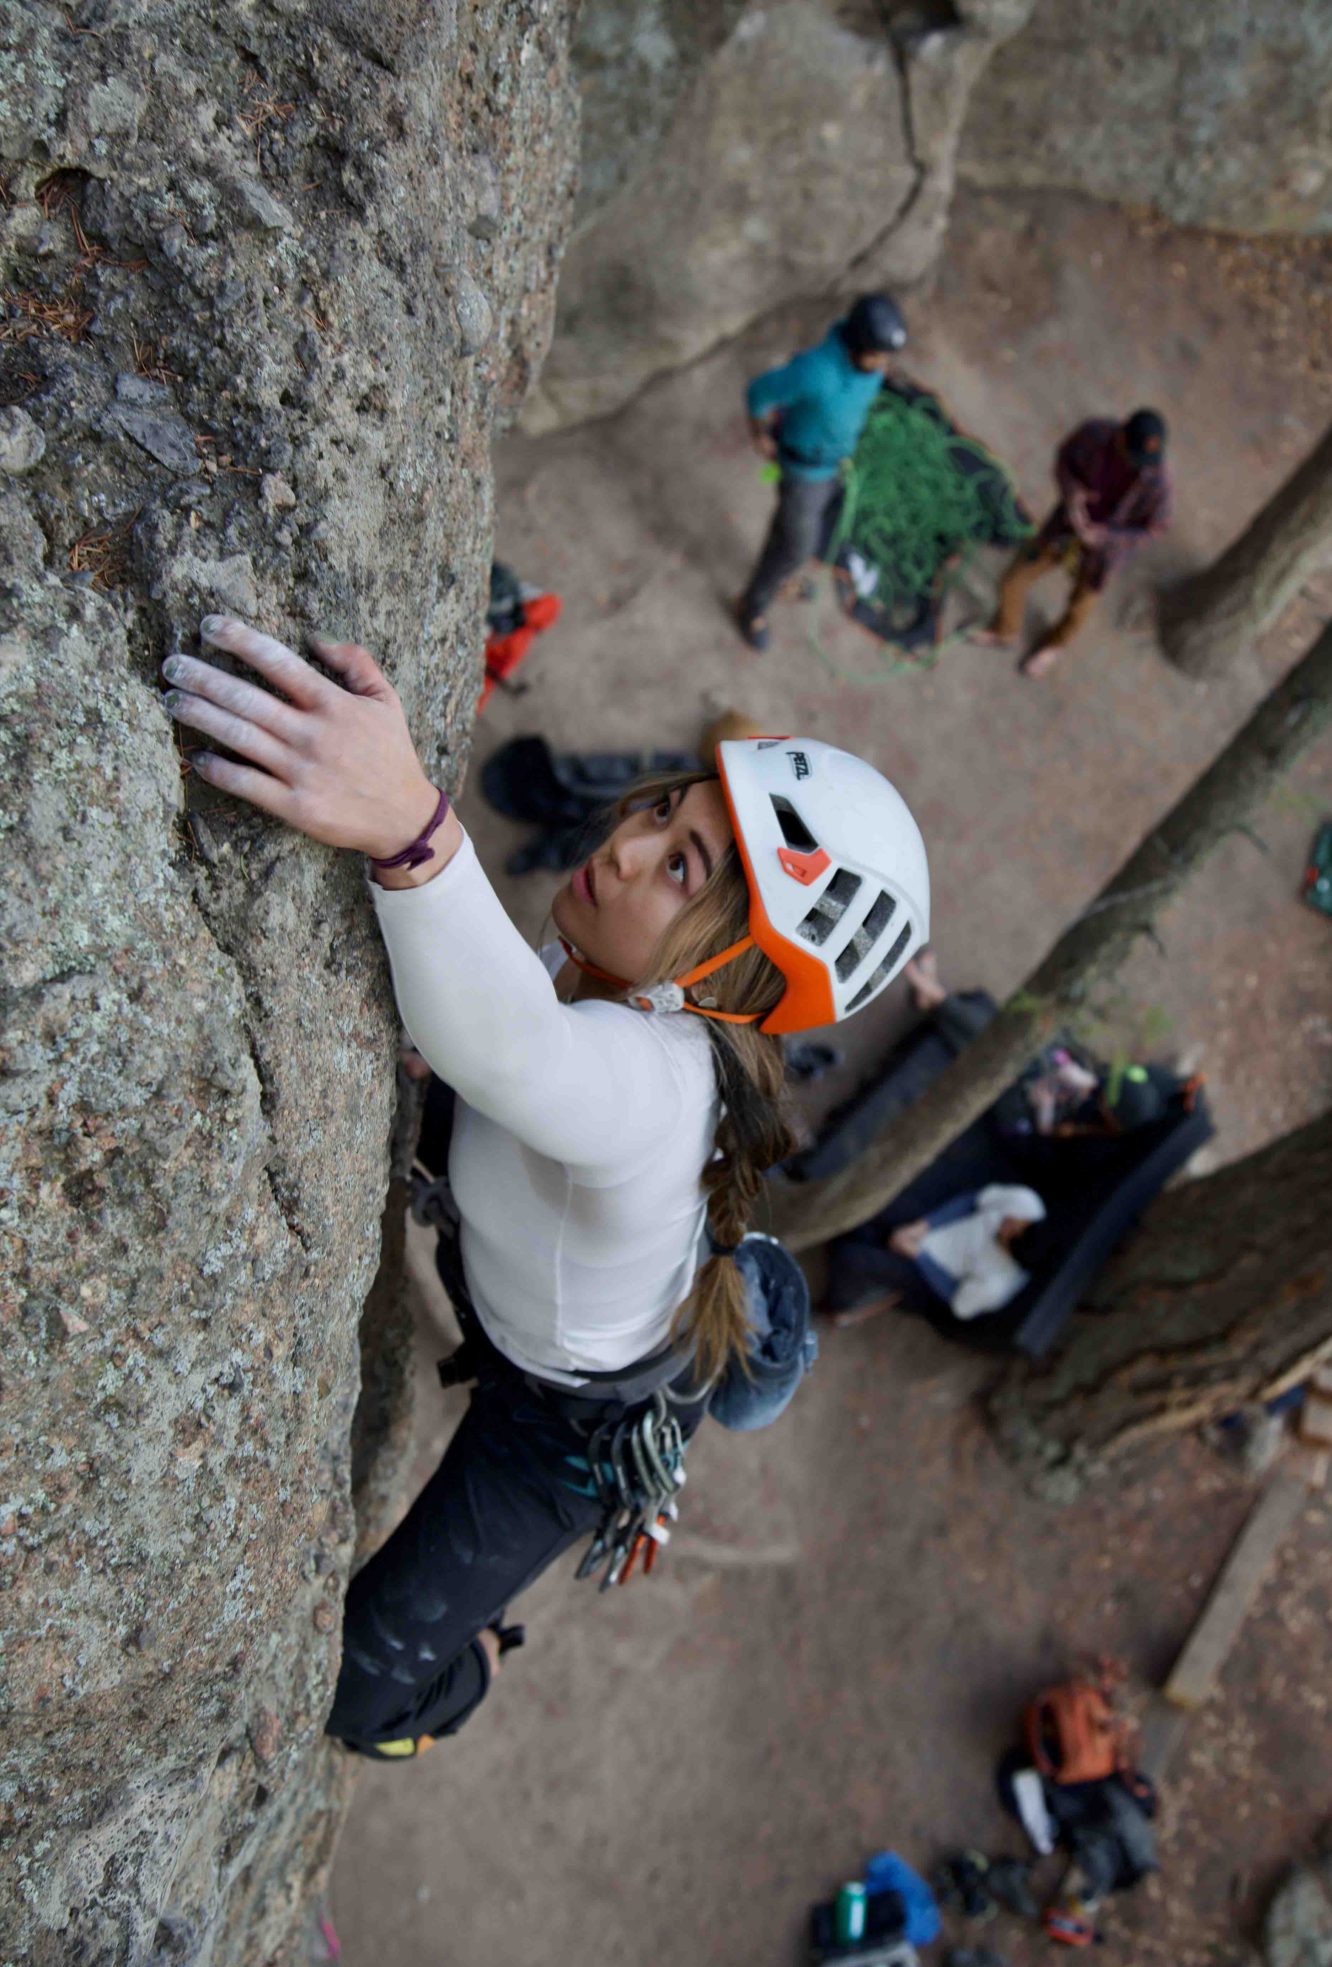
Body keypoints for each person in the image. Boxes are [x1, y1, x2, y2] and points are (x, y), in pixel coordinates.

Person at [159, 619, 930, 1758]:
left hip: (568, 1428)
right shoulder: (620, 968)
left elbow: (518, 1051)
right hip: (566, 1272)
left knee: (362, 1705)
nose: (622, 847)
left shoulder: (659, 1083)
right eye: (661, 812)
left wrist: (409, 826)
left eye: (680, 868)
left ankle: (482, 1655)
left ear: (730, 974)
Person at [738, 291, 907, 652]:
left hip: (835, 463)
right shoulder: (814, 371)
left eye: (887, 356)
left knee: (792, 534)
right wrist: (759, 434)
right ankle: (751, 606)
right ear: (856, 345)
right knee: (795, 547)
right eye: (878, 355)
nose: (884, 364)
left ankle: (781, 579)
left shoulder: (871, 367)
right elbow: (759, 393)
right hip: (805, 474)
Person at [976, 409, 1171, 677]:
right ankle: (1005, 631)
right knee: (1014, 579)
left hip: (1103, 556)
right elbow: (1064, 458)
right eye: (1133, 455)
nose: (1139, 466)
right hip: (1064, 529)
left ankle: (1052, 648)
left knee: (1079, 609)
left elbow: (1155, 528)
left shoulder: (1157, 481)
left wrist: (1105, 536)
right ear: (1121, 436)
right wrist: (1073, 495)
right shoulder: (1095, 434)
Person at [833, 1183, 1046, 1329]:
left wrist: (918, 1256)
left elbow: (956, 1301)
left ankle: (843, 1304)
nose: (1007, 1220)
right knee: (875, 1205)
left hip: (925, 1274)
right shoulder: (1025, 1204)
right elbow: (973, 1200)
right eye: (1015, 1222)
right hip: (933, 1226)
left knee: (852, 1257)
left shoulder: (996, 1285)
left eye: (1010, 1230)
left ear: (1011, 1252)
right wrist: (922, 1226)